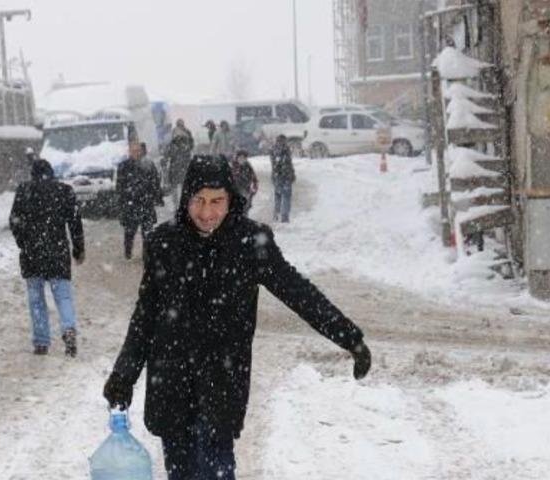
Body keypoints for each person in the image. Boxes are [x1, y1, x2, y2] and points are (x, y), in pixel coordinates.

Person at [102, 155, 371, 480]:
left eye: (217, 201)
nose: (206, 212)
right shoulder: (163, 242)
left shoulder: (250, 242)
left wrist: (348, 337)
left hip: (221, 381)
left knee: (217, 470)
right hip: (171, 382)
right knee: (183, 473)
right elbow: (145, 317)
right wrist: (123, 377)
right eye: (198, 200)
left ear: (231, 198)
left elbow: (298, 292)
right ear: (186, 197)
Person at [10, 159, 85, 356]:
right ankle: (68, 328)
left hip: (32, 253)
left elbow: (14, 221)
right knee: (63, 296)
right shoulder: (64, 191)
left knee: (36, 299)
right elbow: (75, 223)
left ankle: (41, 341)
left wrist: (23, 242)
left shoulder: (24, 191)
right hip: (57, 251)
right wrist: (78, 249)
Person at [116, 141, 164, 260]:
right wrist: (123, 200)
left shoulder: (148, 164)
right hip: (130, 204)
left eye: (138, 151)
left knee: (147, 231)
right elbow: (120, 186)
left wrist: (157, 197)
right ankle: (128, 252)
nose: (137, 153)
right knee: (130, 231)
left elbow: (155, 182)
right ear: (129, 152)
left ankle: (147, 254)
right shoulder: (123, 166)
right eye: (134, 151)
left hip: (146, 203)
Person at [165, 119, 195, 207]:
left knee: (176, 185)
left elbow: (167, 153)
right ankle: (182, 203)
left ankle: (177, 204)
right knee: (182, 185)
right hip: (182, 166)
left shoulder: (174, 136)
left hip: (176, 166)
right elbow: (191, 147)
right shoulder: (186, 136)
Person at [270, 134, 296, 223]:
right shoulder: (284, 150)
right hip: (284, 176)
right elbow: (287, 164)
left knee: (278, 195)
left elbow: (276, 164)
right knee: (286, 196)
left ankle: (276, 213)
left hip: (277, 175)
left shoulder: (273, 149)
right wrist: (291, 174)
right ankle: (284, 216)